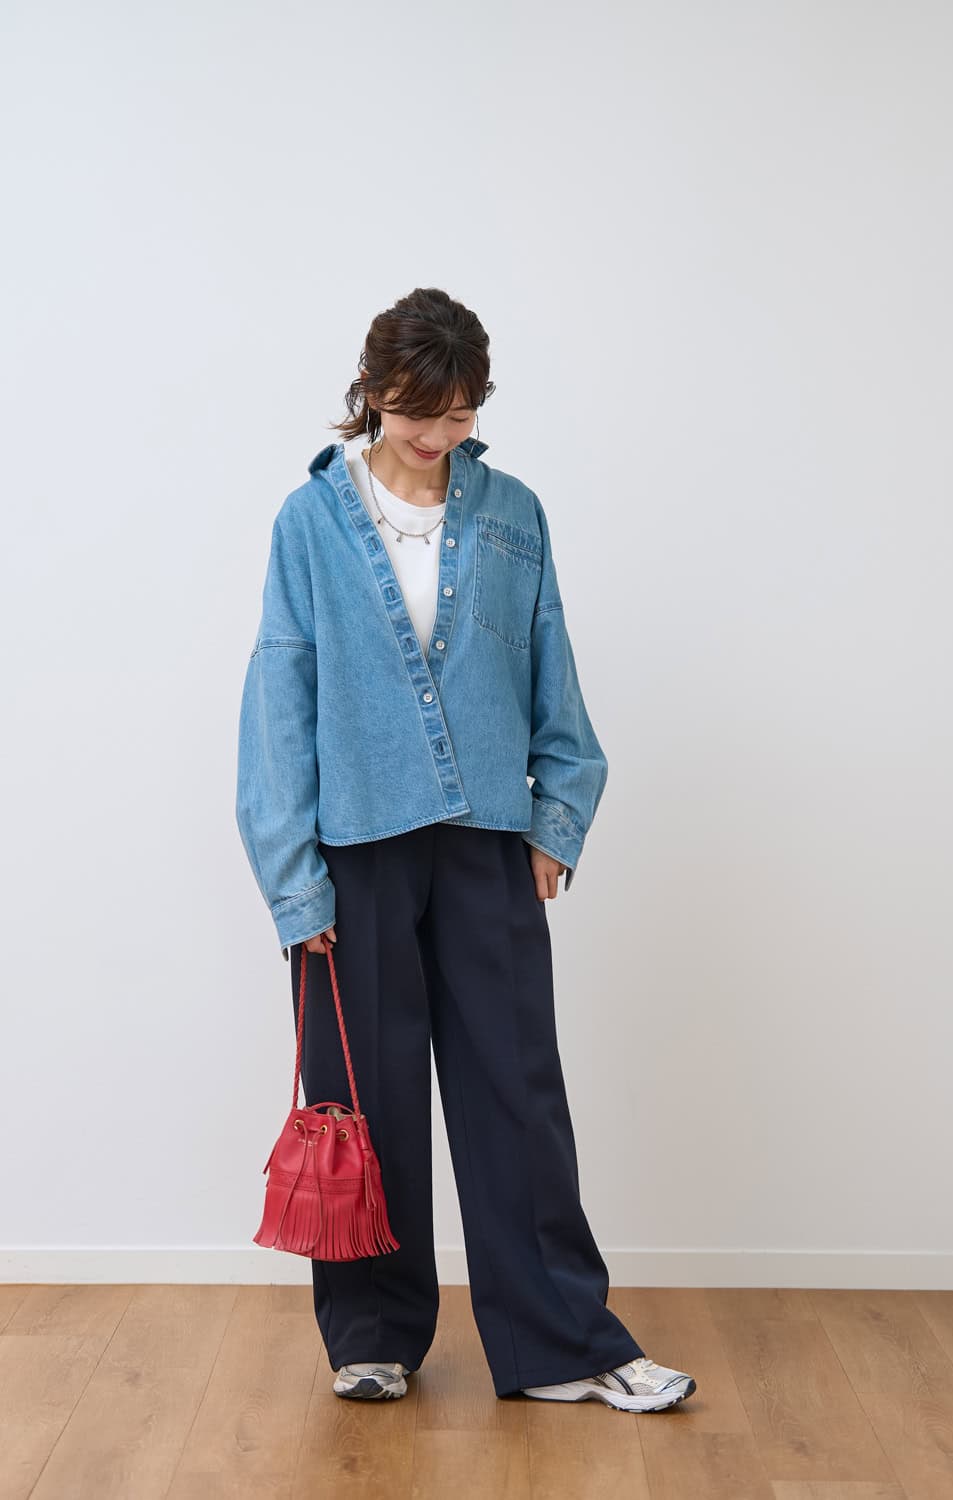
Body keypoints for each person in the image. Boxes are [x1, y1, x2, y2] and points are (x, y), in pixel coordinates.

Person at [235, 286, 697, 1414]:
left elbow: (550, 663)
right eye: (414, 413)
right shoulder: (309, 523)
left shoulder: (512, 513)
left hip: (489, 843)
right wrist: (294, 883)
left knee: (516, 1094)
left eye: (457, 414)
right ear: (372, 394)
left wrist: (555, 817)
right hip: (354, 853)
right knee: (365, 1100)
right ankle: (372, 1337)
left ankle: (561, 1342)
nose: (436, 436)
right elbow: (279, 699)